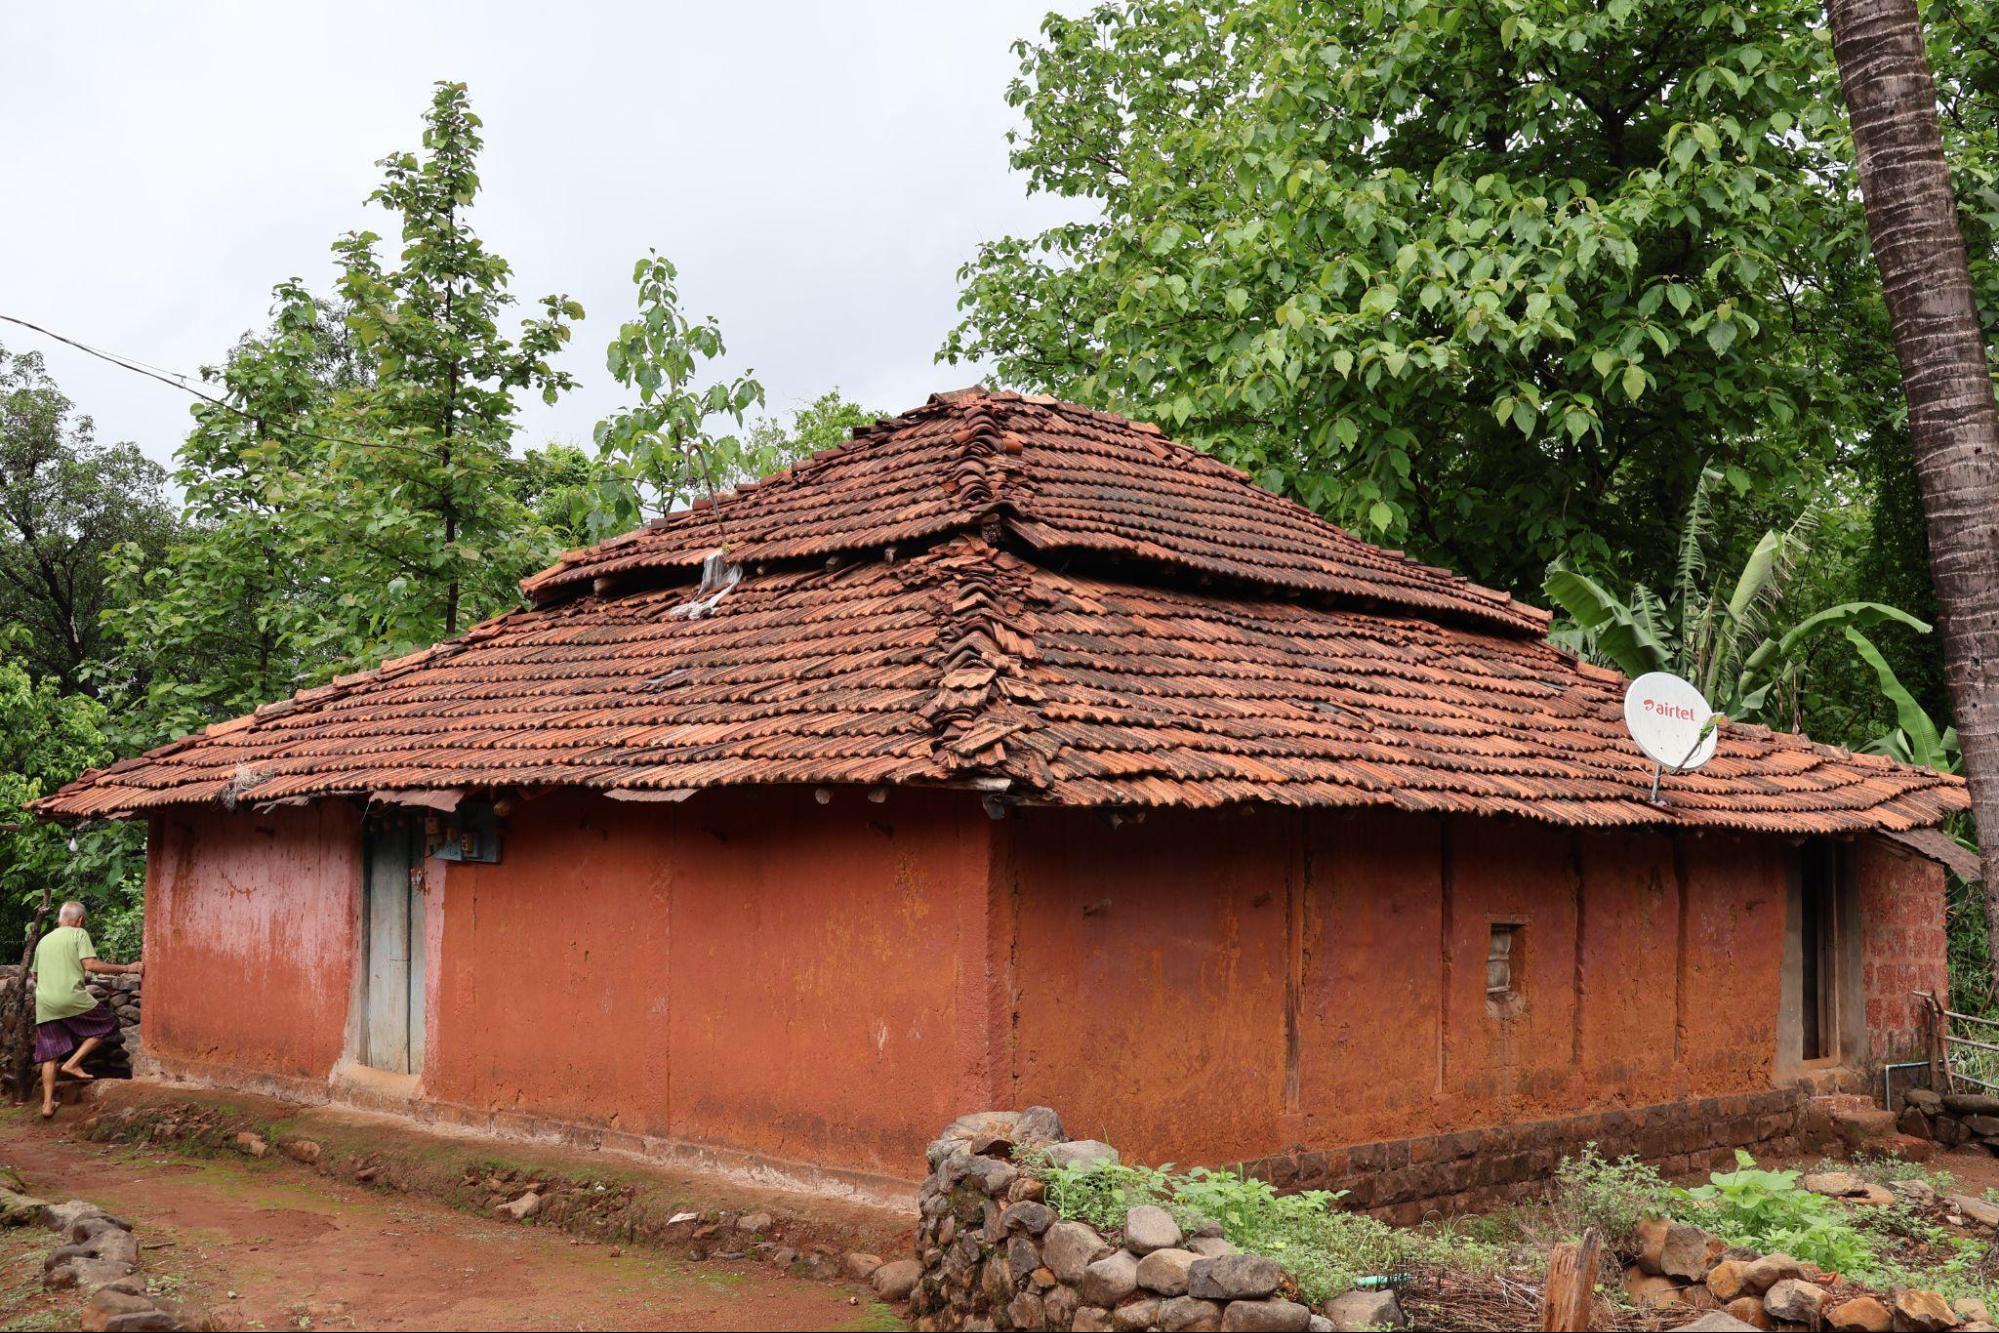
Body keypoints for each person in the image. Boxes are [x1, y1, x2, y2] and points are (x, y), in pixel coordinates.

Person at [32, 901, 140, 1119]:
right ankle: (72, 1063)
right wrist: (127, 968)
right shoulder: (78, 934)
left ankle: (46, 1104)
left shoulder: (43, 941)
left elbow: (35, 975)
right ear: (80, 920)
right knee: (107, 1024)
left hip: (44, 1002)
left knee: (50, 1055)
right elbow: (90, 965)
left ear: (60, 919)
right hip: (71, 997)